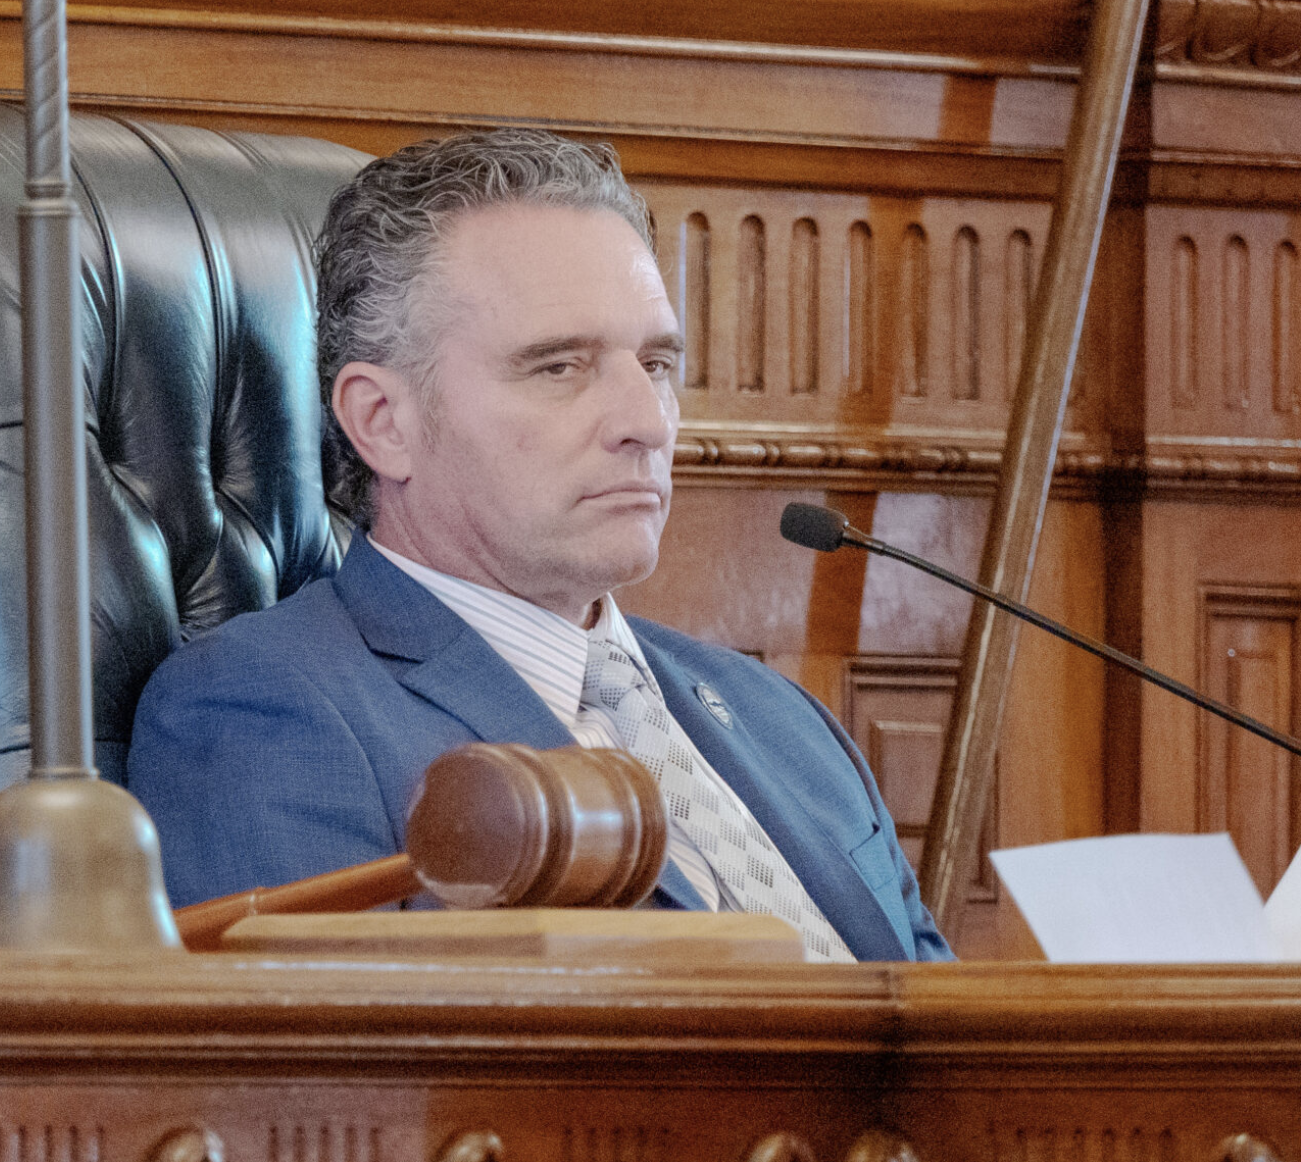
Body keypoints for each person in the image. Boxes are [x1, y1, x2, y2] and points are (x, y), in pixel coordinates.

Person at [127, 128, 951, 962]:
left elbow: (964, 1039)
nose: (646, 424)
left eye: (657, 365)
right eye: (559, 367)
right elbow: (344, 1085)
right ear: (385, 422)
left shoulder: (787, 725)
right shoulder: (265, 712)